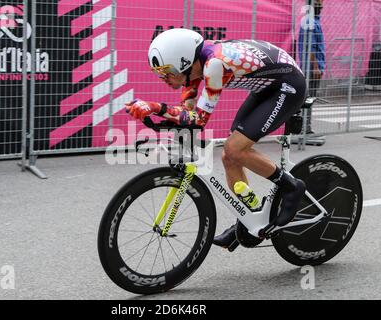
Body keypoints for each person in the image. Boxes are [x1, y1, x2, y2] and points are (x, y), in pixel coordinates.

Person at [125, 28, 307, 249]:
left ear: (184, 61)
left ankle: (292, 187)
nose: (164, 78)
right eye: (159, 73)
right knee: (229, 157)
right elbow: (187, 110)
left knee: (236, 149)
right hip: (268, 86)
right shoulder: (195, 67)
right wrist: (160, 114)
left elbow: (199, 120)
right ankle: (249, 218)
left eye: (167, 71)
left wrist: (155, 107)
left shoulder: (214, 64)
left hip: (288, 86)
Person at [298, 0, 326, 135]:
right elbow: (309, 47)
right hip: (311, 68)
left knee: (308, 98)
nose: (321, 6)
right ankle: (303, 127)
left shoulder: (313, 21)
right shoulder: (310, 22)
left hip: (313, 66)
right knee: (308, 98)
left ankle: (305, 126)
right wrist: (315, 67)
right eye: (318, 3)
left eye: (321, 3)